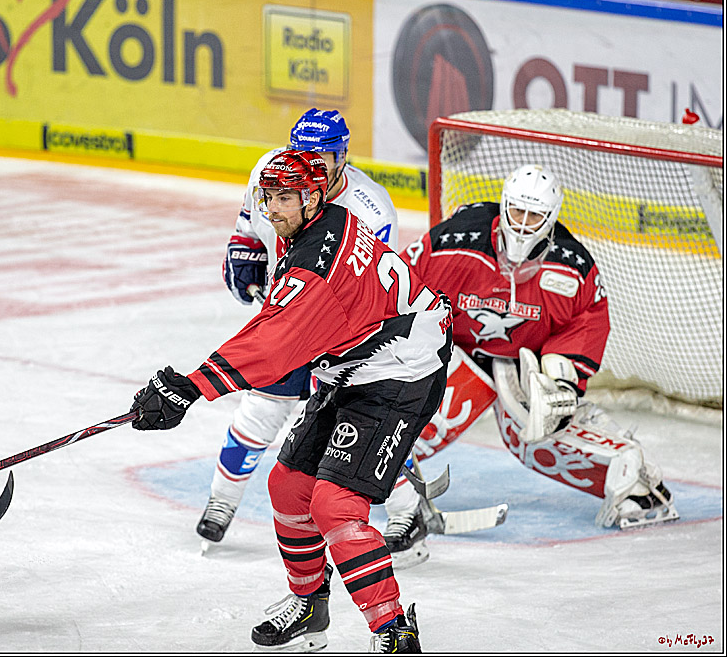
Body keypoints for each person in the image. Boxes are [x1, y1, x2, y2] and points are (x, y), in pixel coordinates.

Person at [131, 151, 453, 652]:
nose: (274, 208)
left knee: (336, 504)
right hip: (353, 367)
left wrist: (191, 387)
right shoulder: (322, 222)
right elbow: (279, 325)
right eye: (270, 197)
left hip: (402, 371)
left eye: (286, 198)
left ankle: (393, 631)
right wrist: (193, 382)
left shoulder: (317, 265)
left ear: (314, 197)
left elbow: (277, 345)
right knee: (288, 487)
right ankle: (310, 602)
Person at [387, 163, 677, 567]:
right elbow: (398, 283)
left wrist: (562, 379)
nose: (523, 225)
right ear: (504, 206)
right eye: (517, 212)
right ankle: (373, 476)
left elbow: (589, 319)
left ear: (552, 218)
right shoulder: (455, 239)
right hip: (457, 350)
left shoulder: (571, 266)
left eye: (535, 216)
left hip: (525, 363)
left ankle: (633, 477)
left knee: (534, 440)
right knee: (415, 429)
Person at [198, 108, 400, 548]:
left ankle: (405, 512)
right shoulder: (273, 174)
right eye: (300, 154)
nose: (308, 167)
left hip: (346, 336)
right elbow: (249, 229)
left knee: (361, 425)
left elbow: (379, 288)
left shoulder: (371, 207)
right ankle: (221, 501)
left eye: (320, 159)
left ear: (342, 156)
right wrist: (244, 254)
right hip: (288, 321)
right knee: (261, 410)